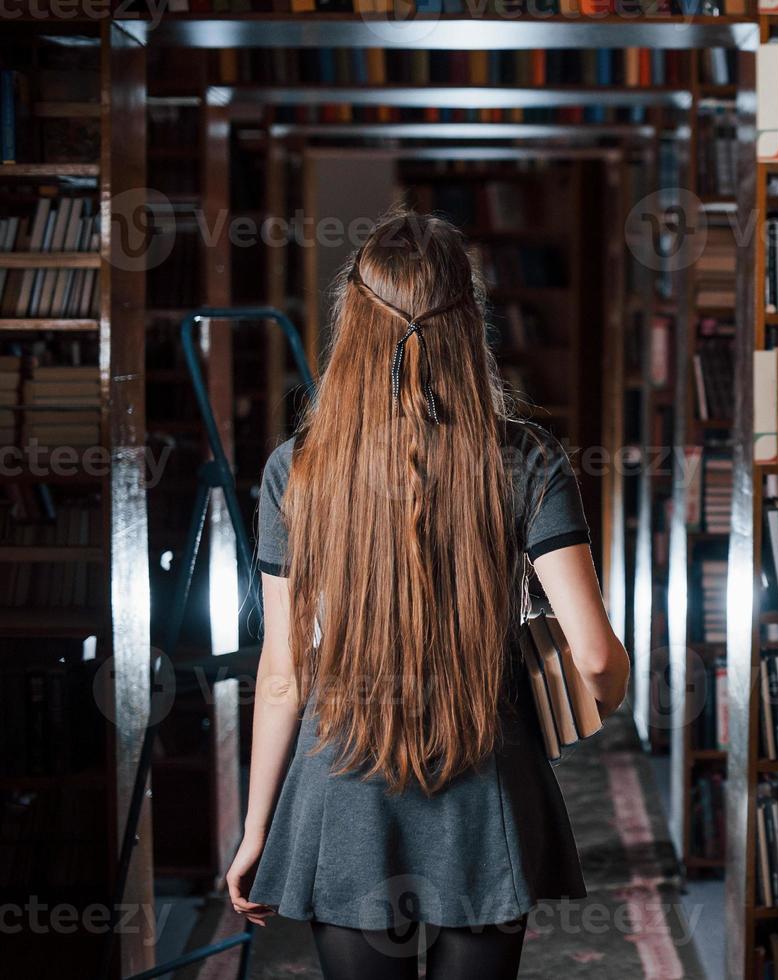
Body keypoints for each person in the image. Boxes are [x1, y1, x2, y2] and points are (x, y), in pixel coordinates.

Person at [224, 210, 629, 980]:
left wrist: (256, 830)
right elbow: (596, 656)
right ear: (469, 321)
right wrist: (592, 703)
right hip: (482, 781)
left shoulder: (296, 468)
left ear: (354, 317)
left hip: (340, 784)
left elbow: (282, 671)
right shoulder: (526, 458)